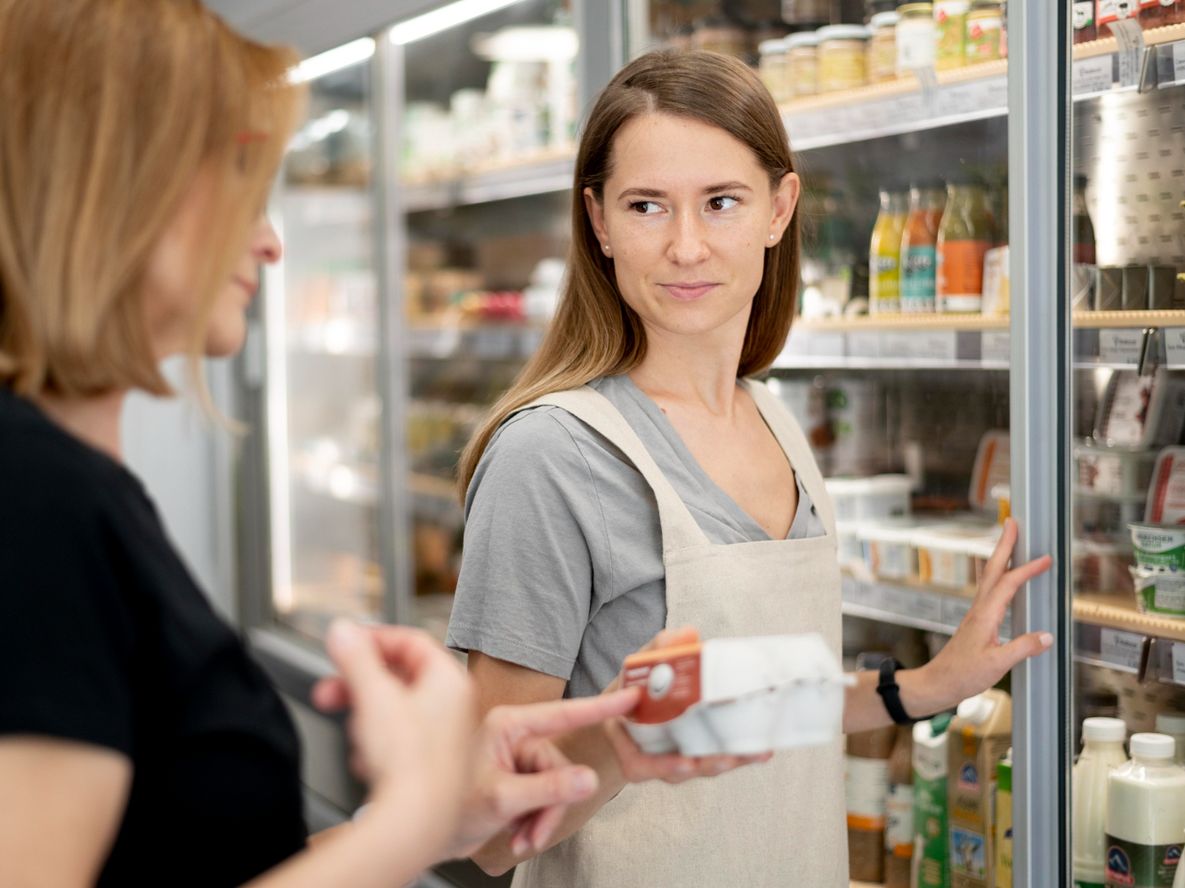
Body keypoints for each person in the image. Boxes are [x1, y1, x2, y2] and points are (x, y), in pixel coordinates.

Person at [0, 2, 639, 886]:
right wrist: (409, 810)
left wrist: (435, 815)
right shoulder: (35, 500)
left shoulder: (74, 490)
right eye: (233, 179)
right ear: (105, 185)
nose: (267, 242)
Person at [446, 48, 1054, 886]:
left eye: (721, 203)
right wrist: (634, 739)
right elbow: (490, 830)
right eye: (646, 205)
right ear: (599, 223)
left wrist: (922, 685)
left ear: (779, 208)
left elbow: (752, 710)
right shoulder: (551, 457)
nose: (686, 246)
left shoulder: (773, 419)